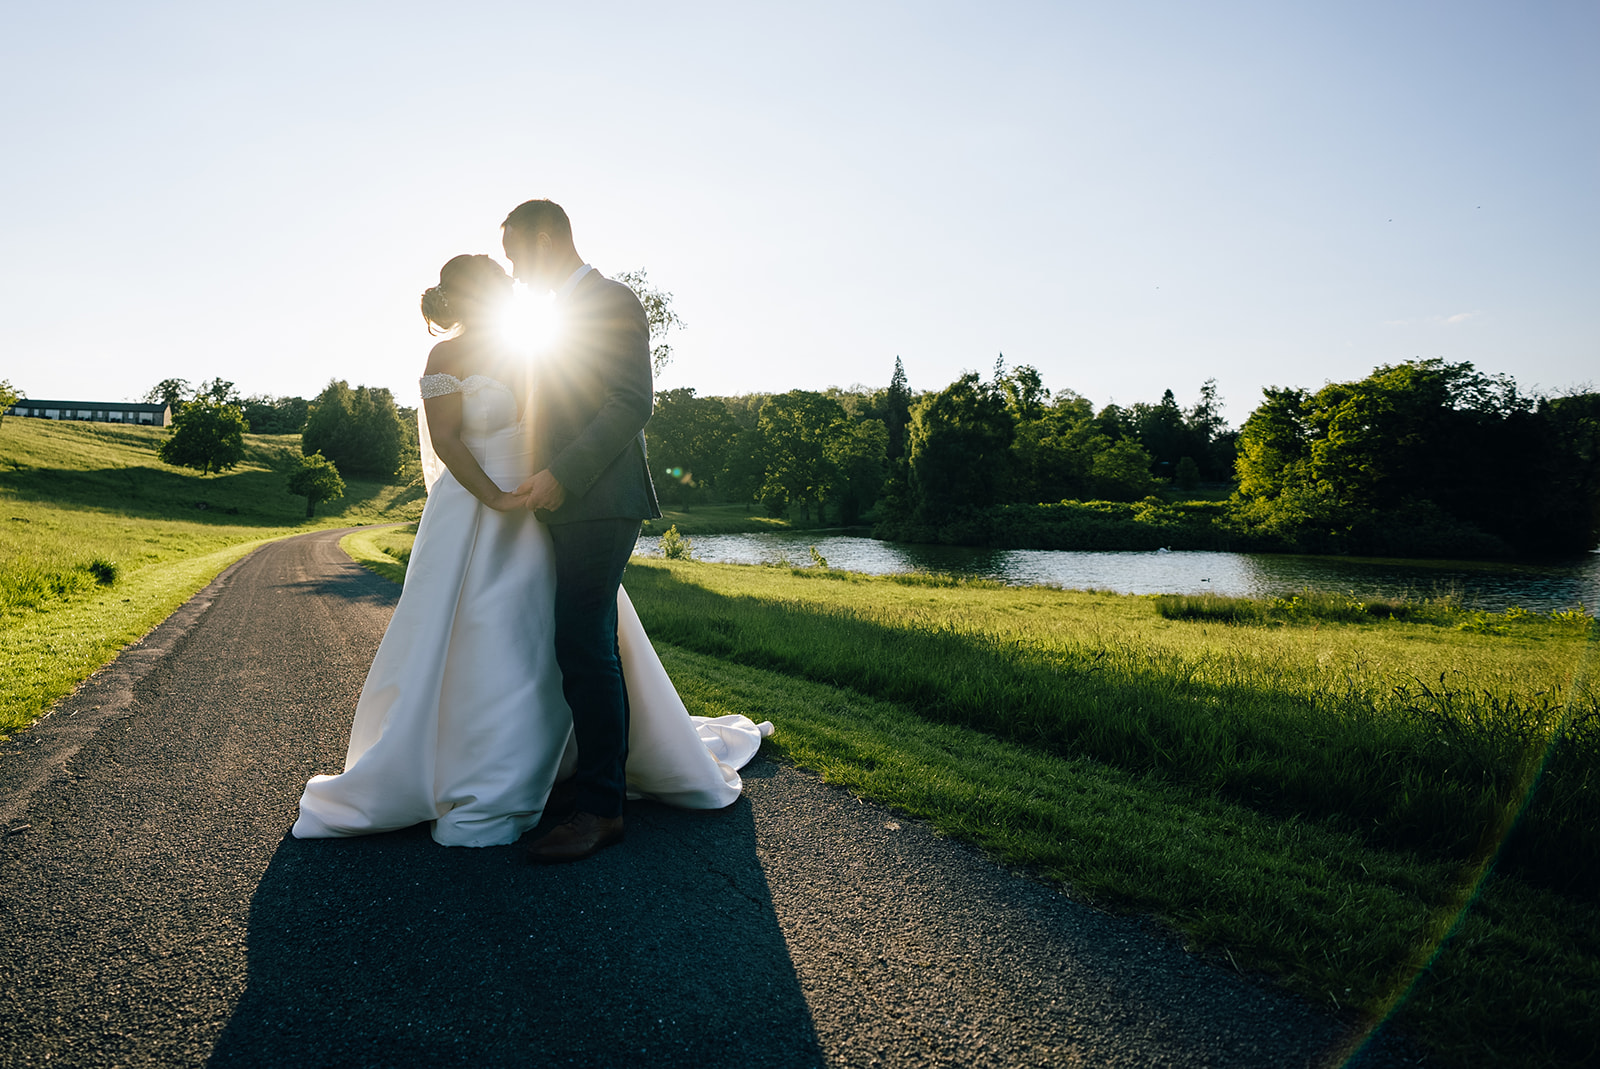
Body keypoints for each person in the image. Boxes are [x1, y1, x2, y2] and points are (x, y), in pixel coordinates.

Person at [291, 252, 770, 851]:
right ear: (467, 301)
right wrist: (492, 495)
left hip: (547, 504)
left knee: (554, 635)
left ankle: (567, 768)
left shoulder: (533, 351)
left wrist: (553, 484)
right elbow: (444, 438)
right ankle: (472, 765)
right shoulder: (446, 358)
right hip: (474, 507)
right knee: (478, 633)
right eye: (492, 289)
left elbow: (584, 414)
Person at [502, 199, 664, 863]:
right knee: (582, 639)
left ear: (545, 238)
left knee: (584, 640)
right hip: (569, 502)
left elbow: (632, 401)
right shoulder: (551, 315)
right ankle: (595, 784)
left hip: (602, 499)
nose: (513, 270)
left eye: (515, 253)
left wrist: (563, 473)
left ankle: (603, 807)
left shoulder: (609, 301)